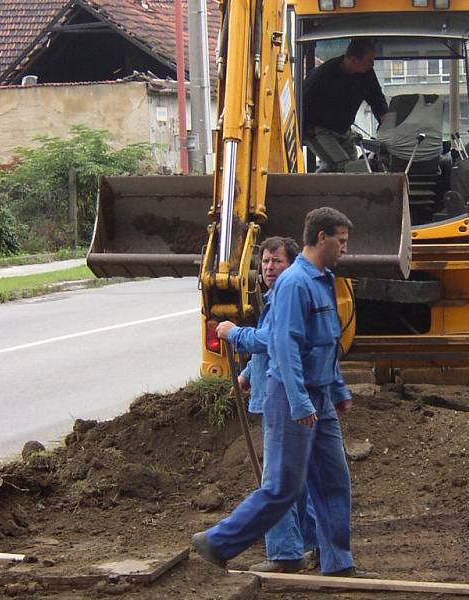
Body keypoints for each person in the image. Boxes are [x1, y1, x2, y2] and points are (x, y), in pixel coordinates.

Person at [193, 207, 376, 578]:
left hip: (319, 396)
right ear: (321, 238)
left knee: (333, 483)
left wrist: (338, 389)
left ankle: (338, 563)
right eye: (341, 242)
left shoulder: (323, 278)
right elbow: (284, 345)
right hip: (291, 396)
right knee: (282, 488)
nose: (344, 249)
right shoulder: (294, 284)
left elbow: (327, 343)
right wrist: (299, 402)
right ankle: (216, 543)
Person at [215, 236, 318, 573]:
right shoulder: (277, 297)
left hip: (284, 398)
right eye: (266, 262)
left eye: (277, 261)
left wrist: (234, 333)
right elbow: (272, 344)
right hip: (277, 393)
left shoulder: (287, 294)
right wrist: (247, 374)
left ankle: (285, 553)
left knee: (275, 482)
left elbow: (268, 340)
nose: (270, 268)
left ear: (292, 265)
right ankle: (310, 543)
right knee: (294, 481)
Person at [303, 38, 388, 172]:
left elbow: (375, 95)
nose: (372, 65)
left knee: (356, 170)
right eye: (369, 61)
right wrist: (302, 134)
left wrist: (384, 117)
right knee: (340, 166)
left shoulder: (366, 73)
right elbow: (302, 103)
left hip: (344, 129)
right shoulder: (322, 76)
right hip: (319, 130)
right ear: (354, 60)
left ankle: (353, 192)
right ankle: (312, 190)